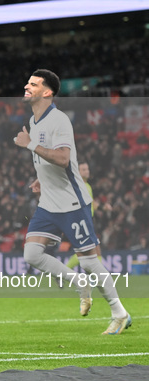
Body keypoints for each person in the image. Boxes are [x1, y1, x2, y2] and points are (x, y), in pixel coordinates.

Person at [14, 69, 131, 335]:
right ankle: (79, 283)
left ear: (48, 92)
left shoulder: (59, 120)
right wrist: (40, 177)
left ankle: (119, 312)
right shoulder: (34, 121)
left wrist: (30, 145)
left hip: (72, 203)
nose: (26, 86)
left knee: (90, 261)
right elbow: (48, 160)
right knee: (32, 254)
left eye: (33, 84)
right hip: (48, 202)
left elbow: (64, 159)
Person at [65, 162, 103, 269]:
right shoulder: (78, 186)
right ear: (78, 172)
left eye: (87, 169)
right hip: (83, 222)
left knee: (88, 252)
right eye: (84, 169)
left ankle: (63, 272)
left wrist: (102, 208)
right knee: (93, 251)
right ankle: (98, 279)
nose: (87, 171)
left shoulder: (87, 186)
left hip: (88, 221)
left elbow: (91, 203)